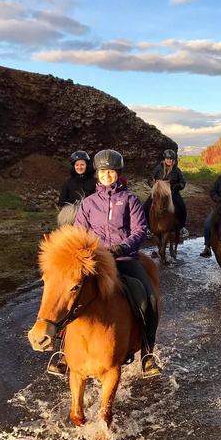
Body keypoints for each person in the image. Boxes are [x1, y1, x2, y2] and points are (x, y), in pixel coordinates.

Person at [75, 149, 162, 377]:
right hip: (96, 261)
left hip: (125, 258)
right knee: (70, 294)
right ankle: (64, 354)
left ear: (118, 173)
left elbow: (140, 230)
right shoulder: (88, 204)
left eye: (111, 172)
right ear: (98, 174)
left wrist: (121, 248)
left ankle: (147, 353)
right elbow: (79, 233)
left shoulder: (131, 200)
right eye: (103, 172)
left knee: (150, 299)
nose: (107, 175)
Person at [143, 149, 189, 237]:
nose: (169, 160)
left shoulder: (177, 170)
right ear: (165, 159)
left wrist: (178, 186)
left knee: (181, 206)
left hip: (172, 193)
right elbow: (150, 179)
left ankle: (182, 227)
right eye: (167, 158)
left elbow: (182, 182)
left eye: (171, 159)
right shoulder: (158, 168)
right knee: (145, 207)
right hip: (159, 192)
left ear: (173, 160)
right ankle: (147, 227)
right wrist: (153, 186)